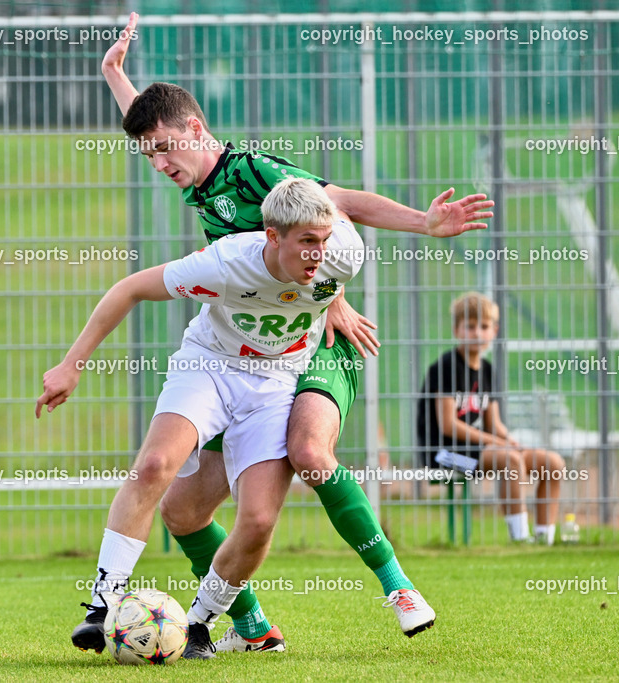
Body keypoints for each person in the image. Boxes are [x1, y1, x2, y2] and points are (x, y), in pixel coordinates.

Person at [77, 12, 493, 653]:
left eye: (164, 150)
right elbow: (160, 126)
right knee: (182, 510)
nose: (157, 163)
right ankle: (248, 627)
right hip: (240, 348)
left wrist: (402, 240)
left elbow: (336, 206)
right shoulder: (200, 183)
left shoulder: (252, 172)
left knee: (310, 456)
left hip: (312, 345)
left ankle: (398, 587)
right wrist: (115, 75)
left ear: (197, 133)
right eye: (148, 153)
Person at [39, 178, 367, 658]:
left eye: (325, 239)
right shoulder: (225, 263)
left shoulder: (343, 253)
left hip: (276, 382)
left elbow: (348, 208)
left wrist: (423, 224)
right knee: (154, 466)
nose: (319, 252)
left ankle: (198, 625)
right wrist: (72, 364)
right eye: (307, 241)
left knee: (258, 520)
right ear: (273, 236)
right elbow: (130, 289)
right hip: (210, 366)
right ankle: (102, 604)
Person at [418, 292, 565, 544]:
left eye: (484, 326)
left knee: (553, 463)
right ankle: (520, 539)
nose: (477, 333)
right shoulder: (445, 367)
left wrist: (510, 440)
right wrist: (497, 444)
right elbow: (448, 425)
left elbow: (494, 424)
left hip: (478, 451)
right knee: (509, 460)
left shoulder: (487, 371)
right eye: (470, 326)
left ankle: (544, 540)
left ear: (494, 331)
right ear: (456, 330)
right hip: (444, 456)